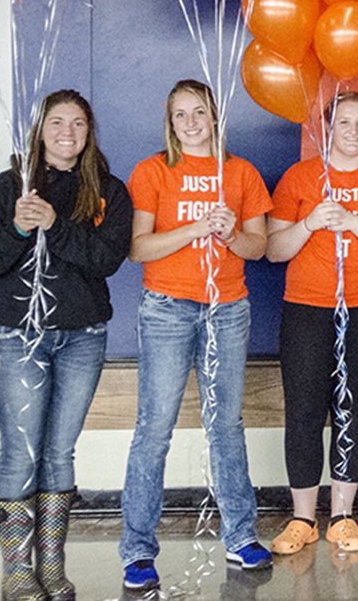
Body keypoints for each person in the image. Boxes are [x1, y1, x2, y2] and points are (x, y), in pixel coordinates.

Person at [0, 90, 132, 601]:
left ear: (89, 132)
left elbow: (106, 260)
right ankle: (17, 572)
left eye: (77, 123)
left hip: (83, 338)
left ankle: (51, 567)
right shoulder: (4, 191)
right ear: (39, 130)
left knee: (59, 451)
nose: (67, 132)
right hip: (16, 338)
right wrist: (18, 227)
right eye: (56, 122)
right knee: (21, 450)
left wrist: (55, 227)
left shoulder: (107, 192)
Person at [118, 80, 273, 591]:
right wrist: (195, 228)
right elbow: (138, 249)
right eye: (181, 113)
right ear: (171, 119)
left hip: (227, 309)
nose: (190, 122)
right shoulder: (152, 171)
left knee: (225, 425)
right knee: (154, 428)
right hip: (165, 308)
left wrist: (229, 233)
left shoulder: (242, 172)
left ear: (213, 117)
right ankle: (137, 550)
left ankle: (241, 536)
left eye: (199, 112)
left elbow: (258, 249)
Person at [266, 92, 358, 555]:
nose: (353, 132)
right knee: (305, 409)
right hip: (308, 306)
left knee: (352, 407)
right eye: (344, 123)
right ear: (328, 128)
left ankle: (343, 516)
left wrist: (351, 221)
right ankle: (302, 518)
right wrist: (310, 222)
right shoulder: (299, 177)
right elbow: (274, 249)